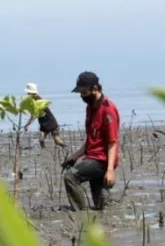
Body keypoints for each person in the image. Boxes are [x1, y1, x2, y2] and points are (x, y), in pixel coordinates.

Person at [61, 71, 120, 211]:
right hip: (92, 156)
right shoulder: (90, 108)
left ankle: (80, 213)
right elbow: (91, 140)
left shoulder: (108, 110)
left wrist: (110, 170)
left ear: (95, 89)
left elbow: (112, 142)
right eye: (80, 92)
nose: (82, 95)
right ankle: (105, 218)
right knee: (101, 205)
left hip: (102, 160)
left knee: (70, 177)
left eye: (84, 91)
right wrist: (74, 157)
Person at [22, 82, 67, 148]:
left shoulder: (36, 101)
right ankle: (44, 150)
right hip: (47, 122)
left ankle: (64, 148)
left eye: (28, 93)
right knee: (43, 139)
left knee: (55, 140)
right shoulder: (37, 99)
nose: (27, 94)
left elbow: (34, 115)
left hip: (49, 121)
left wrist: (27, 125)